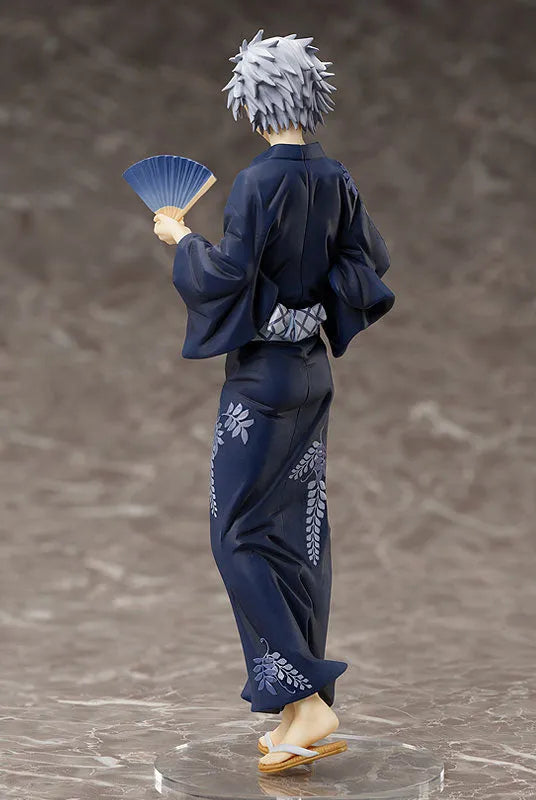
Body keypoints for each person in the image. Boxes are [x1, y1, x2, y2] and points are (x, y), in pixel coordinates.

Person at [153, 29, 395, 773]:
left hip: (260, 381)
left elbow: (228, 275)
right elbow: (370, 262)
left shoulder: (258, 182)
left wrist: (180, 239)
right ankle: (296, 712)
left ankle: (309, 698)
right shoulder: (335, 176)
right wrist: (310, 302)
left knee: (235, 533)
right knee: (297, 532)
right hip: (312, 371)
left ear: (255, 101)